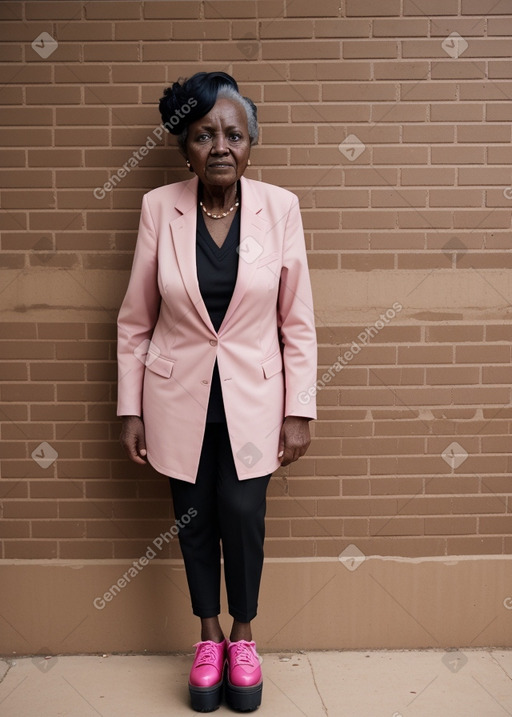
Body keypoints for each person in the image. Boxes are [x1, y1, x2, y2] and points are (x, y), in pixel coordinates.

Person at [117, 71, 317, 713]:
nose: (221, 146)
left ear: (251, 143)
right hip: (178, 402)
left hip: (253, 404)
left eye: (234, 133)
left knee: (242, 515)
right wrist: (131, 408)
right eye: (205, 135)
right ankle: (207, 639)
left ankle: (244, 636)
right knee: (195, 520)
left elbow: (297, 321)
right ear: (185, 148)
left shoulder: (280, 208)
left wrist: (298, 409)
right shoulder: (159, 209)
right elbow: (135, 320)